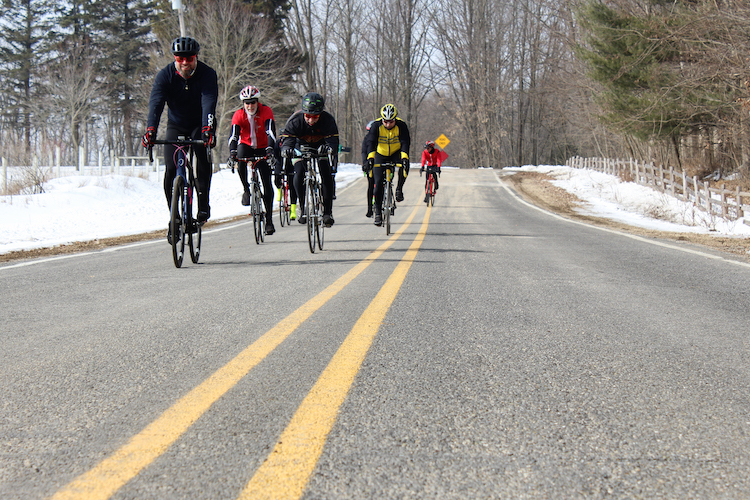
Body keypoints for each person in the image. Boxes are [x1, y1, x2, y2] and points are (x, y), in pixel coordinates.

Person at [142, 36, 218, 242]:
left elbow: (209, 102)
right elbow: (156, 105)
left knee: (202, 155)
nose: (185, 62)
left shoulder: (207, 74)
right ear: (175, 58)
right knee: (171, 167)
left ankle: (203, 203)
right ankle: (174, 218)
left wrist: (207, 129)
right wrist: (150, 130)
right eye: (180, 58)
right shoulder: (164, 76)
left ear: (196, 57)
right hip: (176, 125)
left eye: (190, 58)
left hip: (200, 124)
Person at [279, 92, 339, 227]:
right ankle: (303, 207)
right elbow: (287, 141)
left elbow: (334, 142)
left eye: (315, 117)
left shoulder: (328, 120)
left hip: (320, 146)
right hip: (300, 147)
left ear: (321, 114)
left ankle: (327, 213)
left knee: (326, 173)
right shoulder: (295, 120)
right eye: (308, 116)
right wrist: (286, 150)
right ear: (303, 113)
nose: (311, 120)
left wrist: (329, 148)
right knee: (299, 172)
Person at [227, 85, 279, 235]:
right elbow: (234, 136)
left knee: (267, 185)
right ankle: (246, 190)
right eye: (247, 103)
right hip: (246, 145)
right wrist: (232, 153)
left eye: (253, 102)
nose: (250, 106)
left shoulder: (266, 111)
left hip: (263, 146)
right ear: (243, 104)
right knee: (240, 157)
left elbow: (270, 132)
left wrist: (270, 149)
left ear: (258, 102)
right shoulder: (238, 114)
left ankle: (269, 221)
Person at [363, 103, 411, 226]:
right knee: (378, 182)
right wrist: (370, 158)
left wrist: (404, 157)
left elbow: (405, 142)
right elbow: (371, 143)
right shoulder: (376, 126)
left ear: (395, 119)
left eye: (391, 122)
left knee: (404, 165)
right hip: (380, 153)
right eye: (386, 122)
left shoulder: (401, 125)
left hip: (396, 152)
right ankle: (378, 212)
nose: (388, 124)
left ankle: (399, 188)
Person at [361, 120, 376, 218]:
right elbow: (363, 152)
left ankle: (389, 199)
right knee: (371, 185)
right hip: (370, 164)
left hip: (381, 162)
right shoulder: (366, 139)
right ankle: (370, 208)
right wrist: (365, 163)